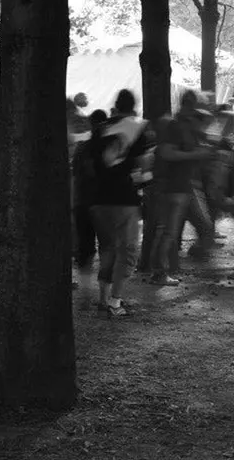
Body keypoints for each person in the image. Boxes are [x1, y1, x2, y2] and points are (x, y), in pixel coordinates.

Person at [89, 89, 154, 317]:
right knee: (126, 252)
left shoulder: (99, 129)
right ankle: (115, 303)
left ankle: (102, 298)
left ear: (116, 106)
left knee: (106, 249)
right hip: (125, 199)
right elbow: (145, 164)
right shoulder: (139, 128)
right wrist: (145, 182)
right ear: (133, 106)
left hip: (98, 200)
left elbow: (90, 163)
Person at [149, 89, 216, 286]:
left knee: (172, 230)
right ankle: (159, 272)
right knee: (168, 231)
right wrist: (196, 154)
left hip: (182, 186)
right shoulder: (174, 126)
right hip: (174, 186)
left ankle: (162, 269)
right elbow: (167, 153)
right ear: (191, 105)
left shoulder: (184, 125)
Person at [72, 109, 107, 271]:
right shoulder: (110, 148)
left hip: (82, 202)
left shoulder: (81, 148)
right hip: (102, 202)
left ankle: (86, 287)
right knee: (106, 245)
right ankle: (105, 291)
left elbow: (75, 173)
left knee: (86, 247)